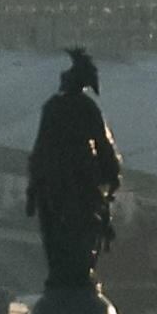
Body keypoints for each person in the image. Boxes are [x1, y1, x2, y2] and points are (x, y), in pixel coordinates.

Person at [24, 47, 124, 289]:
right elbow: (106, 150)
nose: (63, 75)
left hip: (65, 181)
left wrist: (33, 185)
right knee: (78, 229)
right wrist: (112, 175)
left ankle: (66, 273)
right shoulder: (86, 109)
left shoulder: (57, 108)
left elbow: (40, 149)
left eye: (69, 72)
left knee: (57, 231)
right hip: (77, 182)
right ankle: (76, 272)